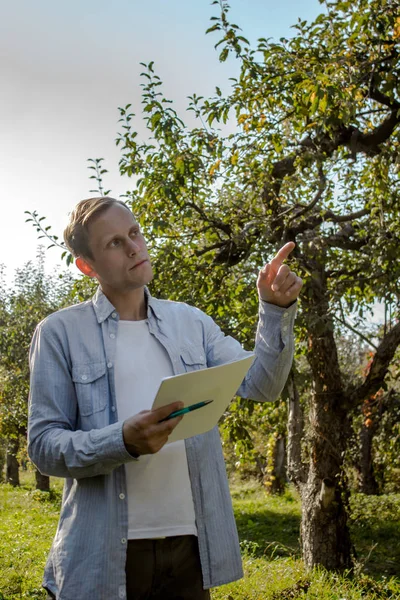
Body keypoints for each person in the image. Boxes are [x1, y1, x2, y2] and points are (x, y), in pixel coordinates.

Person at [28, 196, 302, 600]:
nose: (135, 247)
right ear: (87, 266)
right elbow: (44, 446)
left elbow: (261, 384)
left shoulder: (189, 321)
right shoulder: (59, 333)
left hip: (189, 549)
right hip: (102, 554)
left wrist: (275, 310)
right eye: (115, 243)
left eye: (134, 233)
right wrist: (121, 441)